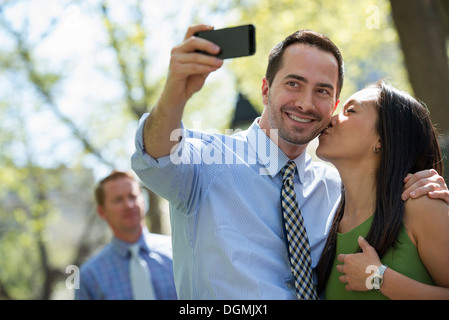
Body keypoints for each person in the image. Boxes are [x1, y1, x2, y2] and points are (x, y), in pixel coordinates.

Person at [131, 24, 449, 299]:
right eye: (293, 84)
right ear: (266, 89)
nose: (306, 103)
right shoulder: (207, 160)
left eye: (322, 91)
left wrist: (427, 186)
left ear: (334, 104)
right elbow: (155, 158)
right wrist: (176, 92)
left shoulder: (339, 188)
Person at [316, 81, 449, 299]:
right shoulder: (326, 218)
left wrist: (379, 278)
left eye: (350, 110)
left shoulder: (422, 205)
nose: (330, 119)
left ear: (383, 139)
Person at [75, 170, 177, 300]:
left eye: (132, 196)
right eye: (118, 200)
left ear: (143, 201)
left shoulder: (176, 253)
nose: (129, 205)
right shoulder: (90, 276)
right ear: (101, 211)